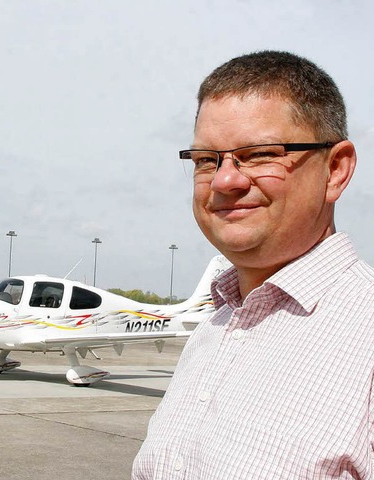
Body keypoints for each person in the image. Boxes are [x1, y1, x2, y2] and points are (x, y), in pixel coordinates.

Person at [132, 50, 374, 479]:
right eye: (207, 160)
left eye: (261, 153)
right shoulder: (216, 327)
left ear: (336, 170)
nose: (225, 180)